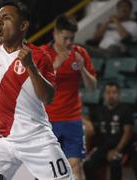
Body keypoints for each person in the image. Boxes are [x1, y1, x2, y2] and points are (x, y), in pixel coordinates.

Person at [0, 1, 74, 180]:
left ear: (23, 25)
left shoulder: (39, 56)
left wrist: (30, 67)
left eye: (6, 18)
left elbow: (48, 97)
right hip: (0, 137)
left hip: (36, 137)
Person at [40, 14, 97, 180]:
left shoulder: (80, 53)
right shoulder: (43, 54)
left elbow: (92, 87)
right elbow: (34, 87)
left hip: (72, 119)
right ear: (55, 34)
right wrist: (55, 66)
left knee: (76, 167)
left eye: (72, 38)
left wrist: (82, 69)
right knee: (46, 171)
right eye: (65, 38)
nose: (69, 43)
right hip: (47, 121)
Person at [83, 82, 133, 180]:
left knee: (115, 163)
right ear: (104, 95)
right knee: (87, 165)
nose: (111, 95)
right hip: (102, 148)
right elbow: (87, 118)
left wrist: (117, 150)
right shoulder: (99, 110)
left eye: (114, 92)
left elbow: (128, 132)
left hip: (120, 148)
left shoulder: (125, 110)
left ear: (119, 94)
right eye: (108, 92)